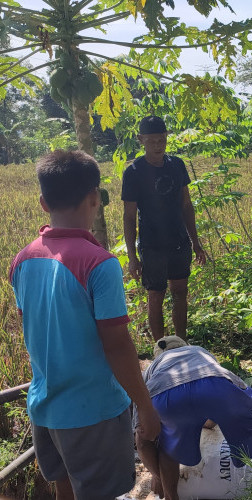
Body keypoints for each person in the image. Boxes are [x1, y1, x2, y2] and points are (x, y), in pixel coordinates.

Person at [9, 150, 161, 500]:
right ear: (95, 198)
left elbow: (32, 325)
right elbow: (117, 345)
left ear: (43, 203)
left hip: (44, 408)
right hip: (93, 413)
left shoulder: (23, 259)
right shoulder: (99, 264)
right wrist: (145, 407)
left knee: (63, 487)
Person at [135, 336, 252, 500]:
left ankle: (171, 495)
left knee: (168, 444)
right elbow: (212, 396)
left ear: (157, 357)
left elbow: (142, 442)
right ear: (185, 346)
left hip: (166, 398)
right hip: (215, 385)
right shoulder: (198, 351)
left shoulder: (150, 371)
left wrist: (157, 476)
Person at [122, 116, 207, 341]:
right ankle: (160, 348)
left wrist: (196, 243)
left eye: (161, 140)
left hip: (179, 240)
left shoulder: (177, 165)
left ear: (167, 137)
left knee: (180, 292)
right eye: (151, 141)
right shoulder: (134, 172)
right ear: (141, 140)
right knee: (156, 296)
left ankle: (181, 342)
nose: (158, 145)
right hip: (152, 245)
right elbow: (129, 217)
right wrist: (132, 257)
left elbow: (186, 205)